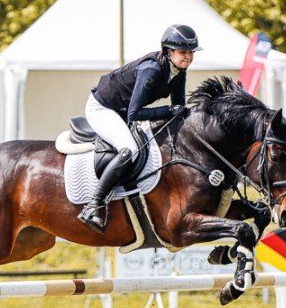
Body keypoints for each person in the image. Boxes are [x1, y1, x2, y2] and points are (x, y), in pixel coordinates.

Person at [78, 24, 202, 233]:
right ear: (169, 52)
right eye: (183, 52)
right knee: (129, 149)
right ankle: (93, 205)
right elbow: (134, 114)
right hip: (103, 108)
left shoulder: (179, 71)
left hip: (122, 109)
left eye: (191, 52)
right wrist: (169, 110)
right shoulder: (151, 70)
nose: (188, 57)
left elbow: (177, 109)